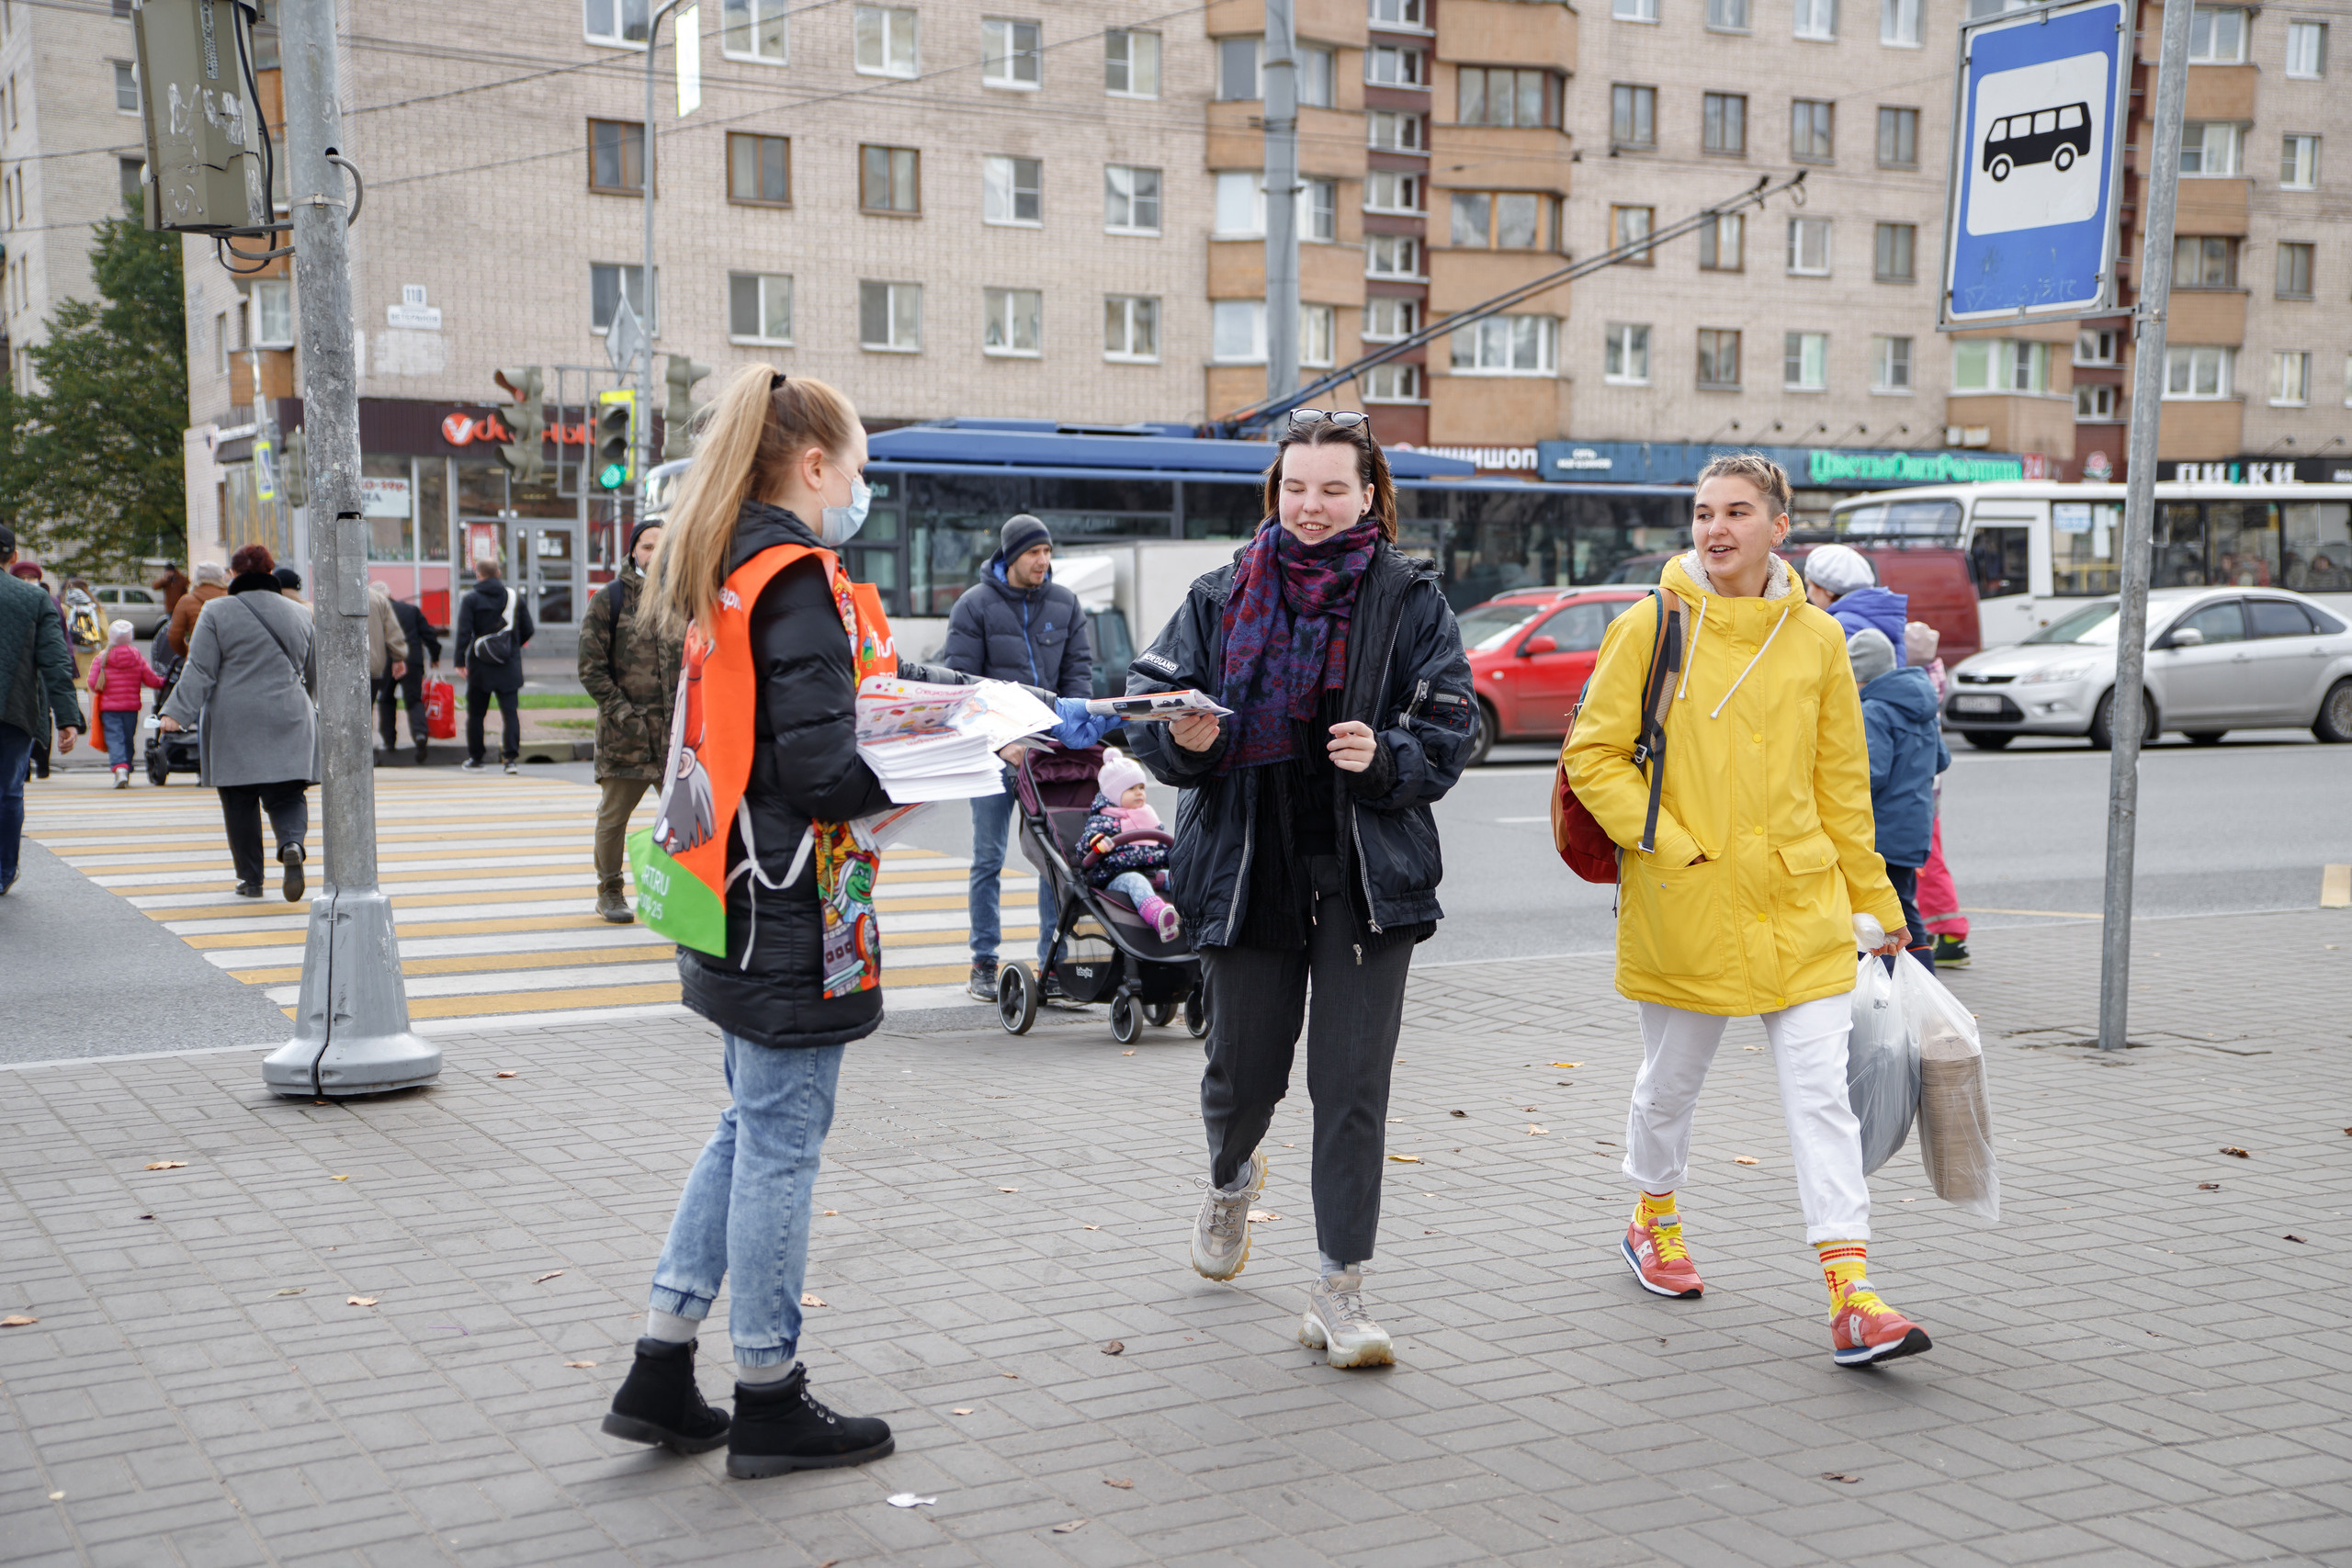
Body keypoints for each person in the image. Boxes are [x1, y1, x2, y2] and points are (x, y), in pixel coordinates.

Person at [1563, 452, 1933, 1369]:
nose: (1715, 528)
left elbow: (1842, 785)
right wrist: (1668, 840)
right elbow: (1594, 753)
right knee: (1671, 1085)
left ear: (1780, 526)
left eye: (1735, 511)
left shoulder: (1814, 637)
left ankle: (1852, 1291)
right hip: (1685, 898)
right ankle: (1651, 1216)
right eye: (1702, 513)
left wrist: (1879, 904)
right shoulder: (1651, 625)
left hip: (1800, 905)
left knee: (1821, 1097)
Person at [600, 366, 903, 1480]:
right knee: (779, 1143)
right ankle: (769, 1391)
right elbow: (823, 768)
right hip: (787, 908)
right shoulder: (799, 579)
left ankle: (661, 1364)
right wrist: (937, 761)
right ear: (814, 465)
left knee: (744, 1128)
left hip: (725, 892)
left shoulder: (722, 563)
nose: (858, 492)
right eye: (857, 470)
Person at [1125, 411, 1477, 1370]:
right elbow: (1147, 700)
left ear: (1368, 495)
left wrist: (1386, 755)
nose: (1311, 507)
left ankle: (1340, 1287)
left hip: (1366, 882)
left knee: (1350, 1088)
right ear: (1273, 493)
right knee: (1242, 1077)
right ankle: (1230, 1176)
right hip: (1247, 875)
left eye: (1331, 489)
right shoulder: (1218, 593)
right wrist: (1178, 739)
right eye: (1295, 488)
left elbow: (1453, 728)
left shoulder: (1409, 600)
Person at [943, 514, 1093, 1000]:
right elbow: (959, 687)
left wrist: (1070, 738)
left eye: (1048, 552)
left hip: (1046, 756)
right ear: (1010, 556)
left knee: (1055, 861)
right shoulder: (974, 607)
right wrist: (999, 743)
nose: (1043, 562)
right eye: (1034, 553)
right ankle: (982, 964)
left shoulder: (1065, 604)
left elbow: (1078, 676)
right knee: (987, 858)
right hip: (992, 755)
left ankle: (1053, 965)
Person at [158, 543, 317, 902]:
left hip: (234, 719)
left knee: (239, 800)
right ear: (271, 572)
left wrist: (175, 713)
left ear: (233, 575)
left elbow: (200, 669)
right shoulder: (301, 613)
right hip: (290, 714)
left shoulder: (215, 611)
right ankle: (291, 843)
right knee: (288, 792)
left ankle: (252, 879)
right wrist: (311, 706)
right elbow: (313, 671)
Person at [579, 519, 683, 923]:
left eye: (662, 547)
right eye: (646, 547)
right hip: (627, 735)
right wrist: (625, 714)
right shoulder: (611, 598)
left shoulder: (683, 598)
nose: (654, 555)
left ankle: (680, 893)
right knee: (614, 817)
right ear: (633, 552)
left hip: (676, 738)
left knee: (685, 820)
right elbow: (591, 669)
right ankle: (610, 892)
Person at [1850, 626, 1947, 971]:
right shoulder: (1920, 704)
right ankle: (1921, 983)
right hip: (1914, 828)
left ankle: (1907, 987)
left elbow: (1870, 773)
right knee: (1904, 904)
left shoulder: (1874, 709)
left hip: (1884, 829)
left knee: (1885, 913)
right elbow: (1942, 760)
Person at [0, 525, 84, 891]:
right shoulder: (35, 601)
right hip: (14, 711)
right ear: (13, 558)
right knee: (8, 792)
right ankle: (2, 872)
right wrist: (66, 718)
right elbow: (55, 662)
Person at [1905, 621, 1969, 968]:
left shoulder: (1913, 689)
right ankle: (1945, 930)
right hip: (1929, 788)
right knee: (1929, 858)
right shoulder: (1933, 681)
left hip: (1919, 793)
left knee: (1928, 862)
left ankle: (1951, 933)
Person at [1079, 749, 1180, 941]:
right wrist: (1097, 843)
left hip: (1153, 870)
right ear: (1114, 794)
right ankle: (1159, 917)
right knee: (1136, 881)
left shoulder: (1148, 814)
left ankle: (1196, 912)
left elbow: (1162, 845)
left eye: (1141, 788)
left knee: (1178, 878)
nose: (1139, 793)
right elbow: (1086, 843)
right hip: (1118, 876)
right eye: (1131, 789)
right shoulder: (1104, 820)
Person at [453, 557, 534, 773]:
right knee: (510, 712)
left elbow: (463, 632)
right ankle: (510, 760)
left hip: (480, 666)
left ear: (478, 575)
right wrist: (512, 645)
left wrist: (459, 661)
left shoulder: (470, 599)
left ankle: (477, 759)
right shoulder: (514, 598)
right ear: (498, 573)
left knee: (477, 714)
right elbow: (529, 628)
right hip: (509, 665)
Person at [87, 619, 165, 787]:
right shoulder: (136, 656)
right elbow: (151, 680)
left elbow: (93, 684)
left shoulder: (102, 658)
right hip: (131, 708)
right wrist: (164, 682)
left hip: (109, 710)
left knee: (115, 739)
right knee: (128, 739)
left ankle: (120, 769)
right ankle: (127, 768)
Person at [1802, 544, 1908, 665]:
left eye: (1810, 585)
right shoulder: (1879, 614)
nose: (1808, 594)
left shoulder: (1841, 626)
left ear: (1829, 591)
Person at [379, 590, 441, 764]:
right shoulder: (410, 610)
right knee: (414, 699)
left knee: (386, 699)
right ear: (390, 593)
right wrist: (435, 655)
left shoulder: (377, 611)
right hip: (412, 661)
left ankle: (389, 741)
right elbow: (429, 634)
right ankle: (420, 735)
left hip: (386, 662)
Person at [365, 581, 408, 763]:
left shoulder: (326, 593)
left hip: (334, 668)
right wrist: (398, 657)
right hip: (371, 667)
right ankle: (367, 755)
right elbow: (392, 631)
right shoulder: (377, 599)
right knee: (366, 712)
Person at [166, 560, 229, 658]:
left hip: (200, 658)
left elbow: (174, 637)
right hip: (230, 659)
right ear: (221, 577)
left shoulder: (187, 601)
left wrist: (188, 652)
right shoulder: (231, 598)